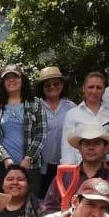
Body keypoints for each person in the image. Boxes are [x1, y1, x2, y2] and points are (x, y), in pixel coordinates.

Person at [0, 64, 47, 196]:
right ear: (3, 82)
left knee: (30, 207)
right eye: (7, 78)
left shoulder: (35, 103)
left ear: (22, 79)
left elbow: (41, 133)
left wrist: (28, 159)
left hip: (30, 167)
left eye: (15, 76)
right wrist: (5, 159)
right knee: (4, 207)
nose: (11, 80)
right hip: (3, 167)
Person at [60, 71, 109, 166]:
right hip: (79, 168)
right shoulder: (72, 114)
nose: (94, 91)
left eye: (98, 87)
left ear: (103, 90)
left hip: (106, 168)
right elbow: (67, 145)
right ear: (83, 89)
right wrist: (68, 169)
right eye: (91, 87)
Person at [35, 66, 74, 199]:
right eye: (47, 84)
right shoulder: (36, 107)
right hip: (42, 166)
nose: (52, 87)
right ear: (42, 87)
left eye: (56, 83)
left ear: (62, 85)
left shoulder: (71, 107)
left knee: (64, 200)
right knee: (42, 200)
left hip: (66, 164)